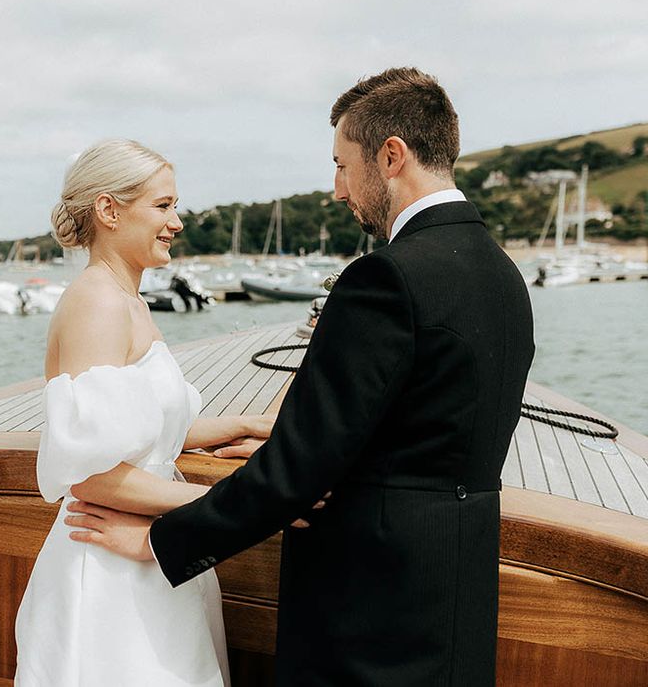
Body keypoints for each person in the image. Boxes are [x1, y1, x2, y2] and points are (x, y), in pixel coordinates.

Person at [66, 68, 536, 686]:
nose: (338, 188)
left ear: (390, 156)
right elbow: (425, 423)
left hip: (367, 604)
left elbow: (299, 473)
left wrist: (160, 544)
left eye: (343, 164)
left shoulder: (387, 278)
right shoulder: (502, 273)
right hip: (456, 593)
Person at [14, 139, 276, 686]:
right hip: (109, 572)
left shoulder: (126, 300)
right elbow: (90, 475)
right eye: (162, 206)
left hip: (149, 551)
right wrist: (231, 504)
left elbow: (144, 435)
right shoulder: (98, 305)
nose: (177, 222)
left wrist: (246, 424)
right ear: (109, 210)